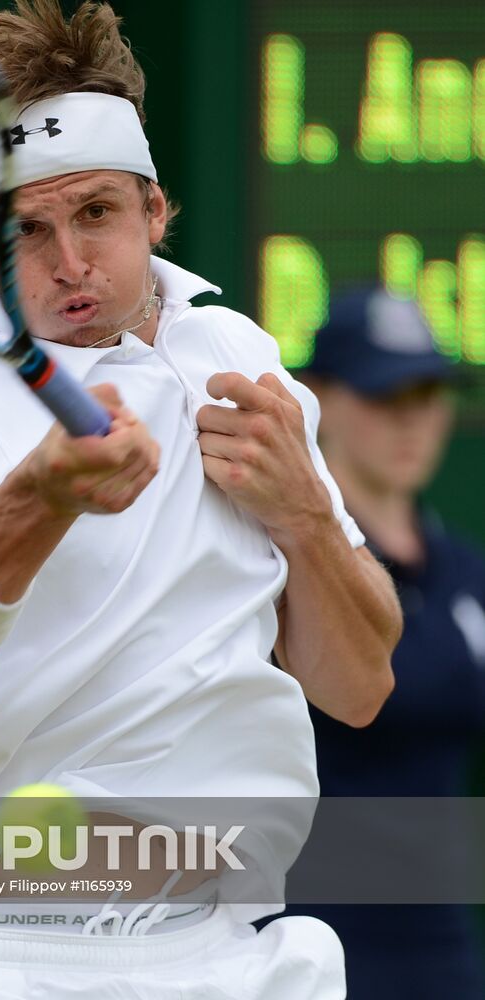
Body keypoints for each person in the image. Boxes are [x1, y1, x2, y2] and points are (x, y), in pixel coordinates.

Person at [0, 3, 402, 997]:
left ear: (154, 211)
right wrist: (44, 493)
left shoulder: (242, 361)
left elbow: (356, 686)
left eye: (97, 213)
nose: (69, 264)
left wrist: (304, 517)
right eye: (29, 231)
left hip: (228, 946)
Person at [293, 286, 485, 998]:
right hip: (305, 947)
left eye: (428, 394)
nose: (411, 422)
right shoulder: (275, 566)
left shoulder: (467, 573)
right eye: (384, 396)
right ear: (317, 401)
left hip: (441, 953)